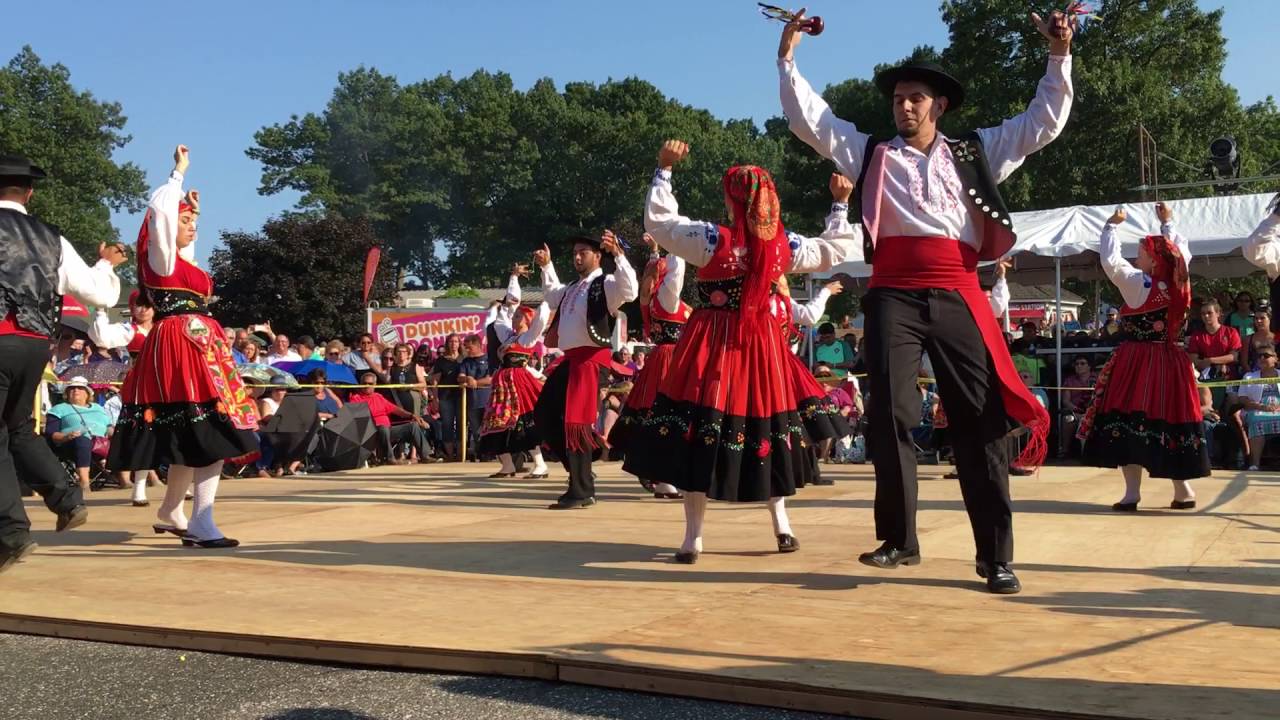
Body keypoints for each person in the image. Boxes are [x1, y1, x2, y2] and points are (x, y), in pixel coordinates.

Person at [779, 7, 1074, 592]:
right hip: (892, 291)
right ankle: (898, 541)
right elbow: (810, 120)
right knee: (889, 413)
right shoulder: (868, 153)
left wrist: (1060, 55)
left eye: (915, 98)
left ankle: (995, 556)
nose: (904, 106)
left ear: (937, 106)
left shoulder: (976, 151)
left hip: (960, 288)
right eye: (898, 99)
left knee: (980, 421)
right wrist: (788, 56)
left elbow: (1041, 123)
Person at [625, 139, 858, 561]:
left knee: (699, 432)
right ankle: (782, 527)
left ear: (732, 197)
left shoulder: (713, 239)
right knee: (765, 430)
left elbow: (661, 224)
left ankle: (692, 538)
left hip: (712, 346)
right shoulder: (782, 246)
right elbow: (832, 251)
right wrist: (839, 205)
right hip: (761, 348)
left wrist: (664, 170)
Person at [107, 146, 260, 549]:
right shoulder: (159, 260)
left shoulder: (180, 264)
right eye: (186, 220)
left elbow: (183, 247)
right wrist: (177, 174)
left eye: (195, 220)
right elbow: (159, 217)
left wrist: (189, 206)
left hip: (198, 345)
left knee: (189, 434)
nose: (193, 225)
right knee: (207, 431)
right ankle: (202, 521)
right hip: (181, 345)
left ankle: (172, 510)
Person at [0, 153, 126, 573]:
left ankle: (12, 533)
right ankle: (67, 499)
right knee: (17, 427)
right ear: (29, 192)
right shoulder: (51, 237)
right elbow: (99, 294)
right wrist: (106, 262)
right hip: (36, 344)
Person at [1078, 204, 1208, 510]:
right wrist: (1168, 223)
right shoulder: (1180, 282)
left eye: (1141, 253)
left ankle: (1132, 493)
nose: (1136, 257)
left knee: (1128, 420)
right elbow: (1180, 253)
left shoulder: (1140, 284)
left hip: (1138, 362)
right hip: (1173, 362)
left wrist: (1111, 226)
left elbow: (1111, 262)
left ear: (1153, 260)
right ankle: (1183, 490)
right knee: (1172, 421)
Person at [533, 227, 638, 510]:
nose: (577, 258)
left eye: (583, 253)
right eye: (575, 254)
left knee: (577, 424)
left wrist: (619, 254)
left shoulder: (604, 284)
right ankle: (580, 470)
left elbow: (630, 290)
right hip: (572, 360)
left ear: (597, 256)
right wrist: (547, 266)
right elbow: (552, 295)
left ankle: (581, 490)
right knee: (544, 414)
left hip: (591, 360)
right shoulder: (571, 288)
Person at [609, 233, 692, 499]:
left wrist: (655, 251)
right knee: (671, 417)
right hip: (671, 361)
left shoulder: (652, 304)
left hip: (663, 360)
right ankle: (666, 478)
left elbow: (657, 276)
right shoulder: (668, 301)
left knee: (655, 417)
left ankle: (659, 473)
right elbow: (676, 272)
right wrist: (675, 239)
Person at [480, 266, 553, 479]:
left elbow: (541, 319)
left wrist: (548, 298)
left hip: (519, 384)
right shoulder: (508, 336)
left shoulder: (527, 338)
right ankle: (508, 465)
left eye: (520, 316)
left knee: (524, 422)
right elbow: (506, 311)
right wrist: (513, 277)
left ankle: (540, 465)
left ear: (527, 321)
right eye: (516, 316)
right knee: (496, 422)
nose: (515, 318)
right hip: (502, 386)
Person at [347, 370, 433, 465]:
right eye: (364, 383)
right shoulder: (355, 398)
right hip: (370, 433)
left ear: (375, 385)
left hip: (388, 430)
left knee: (413, 426)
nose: (367, 385)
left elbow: (396, 410)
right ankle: (389, 458)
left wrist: (412, 415)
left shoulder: (378, 397)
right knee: (383, 428)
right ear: (360, 384)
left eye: (370, 383)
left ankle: (425, 456)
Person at [45, 377, 112, 490]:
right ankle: (84, 482)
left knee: (124, 438)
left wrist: (118, 434)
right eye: (72, 388)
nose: (75, 390)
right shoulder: (59, 409)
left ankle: (127, 480)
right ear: (66, 393)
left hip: (101, 444)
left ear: (87, 394)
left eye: (80, 388)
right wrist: (66, 436)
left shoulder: (98, 408)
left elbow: (109, 427)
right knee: (82, 440)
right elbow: (51, 433)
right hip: (71, 445)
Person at [1234, 344, 1280, 470]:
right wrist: (1261, 407)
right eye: (1259, 356)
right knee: (1256, 421)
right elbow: (1242, 399)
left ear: (1276, 358)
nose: (1262, 358)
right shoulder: (1249, 377)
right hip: (1256, 409)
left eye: (1266, 355)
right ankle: (1255, 464)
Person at [458, 333, 496, 462]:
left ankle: (490, 453)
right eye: (465, 347)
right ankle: (481, 452)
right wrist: (467, 378)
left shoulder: (489, 360)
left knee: (489, 428)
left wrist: (476, 383)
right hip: (472, 402)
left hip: (487, 401)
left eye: (469, 347)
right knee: (476, 430)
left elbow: (491, 378)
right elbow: (460, 376)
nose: (467, 350)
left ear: (478, 345)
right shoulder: (466, 362)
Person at [89, 290, 155, 358]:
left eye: (148, 304)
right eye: (139, 304)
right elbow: (102, 337)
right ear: (132, 308)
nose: (144, 309)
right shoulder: (128, 329)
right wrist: (100, 311)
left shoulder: (162, 328)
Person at [430, 334, 464, 461]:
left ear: (459, 343)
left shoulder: (464, 358)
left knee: (461, 425)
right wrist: (435, 398)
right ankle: (449, 455)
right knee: (447, 425)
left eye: (456, 341)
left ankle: (461, 454)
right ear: (447, 343)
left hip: (462, 397)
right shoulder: (441, 361)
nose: (454, 344)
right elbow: (434, 381)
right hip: (446, 397)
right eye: (451, 341)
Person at [1059, 355, 1096, 457]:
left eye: (1082, 363)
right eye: (1077, 364)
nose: (1079, 366)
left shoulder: (1098, 379)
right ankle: (1064, 450)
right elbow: (1066, 401)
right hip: (1075, 412)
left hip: (1094, 412)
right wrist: (1077, 411)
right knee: (1067, 419)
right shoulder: (1069, 380)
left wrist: (1088, 413)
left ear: (1089, 366)